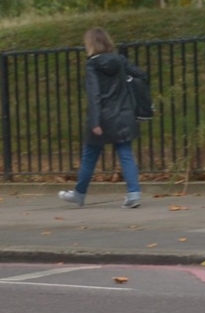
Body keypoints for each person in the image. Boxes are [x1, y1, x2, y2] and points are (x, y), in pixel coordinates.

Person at [60, 27, 144, 208]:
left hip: (103, 117)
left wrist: (95, 121)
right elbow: (140, 75)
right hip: (123, 114)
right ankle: (134, 194)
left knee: (90, 155)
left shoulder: (92, 64)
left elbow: (94, 94)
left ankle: (79, 194)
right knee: (126, 154)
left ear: (90, 44)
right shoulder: (120, 60)